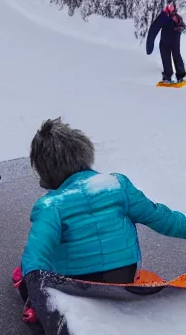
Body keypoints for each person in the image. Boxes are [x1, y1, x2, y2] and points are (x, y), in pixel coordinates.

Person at [14, 117, 186, 322]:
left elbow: (36, 255)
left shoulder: (51, 205)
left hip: (77, 287)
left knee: (29, 267)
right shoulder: (117, 185)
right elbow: (161, 218)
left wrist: (33, 291)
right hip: (124, 277)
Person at [146, 3, 186, 83]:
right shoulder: (166, 17)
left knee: (173, 56)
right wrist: (149, 46)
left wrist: (181, 28)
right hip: (168, 42)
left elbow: (154, 28)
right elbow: (154, 29)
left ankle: (175, 75)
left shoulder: (172, 17)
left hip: (170, 41)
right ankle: (172, 75)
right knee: (170, 57)